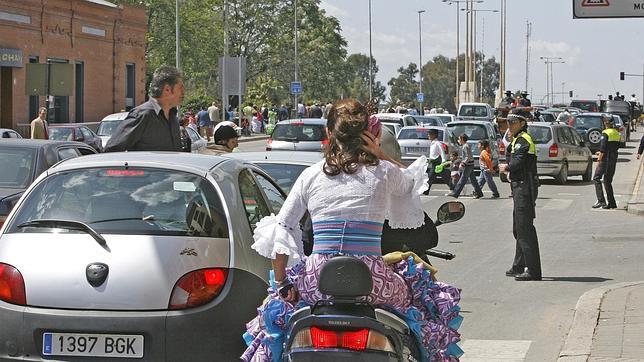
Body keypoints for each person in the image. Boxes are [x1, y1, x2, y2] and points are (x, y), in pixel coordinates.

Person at [241, 99, 462, 361]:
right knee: (423, 301)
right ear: (368, 135)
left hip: (316, 282)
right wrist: (381, 155)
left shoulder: (311, 175)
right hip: (373, 282)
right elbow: (414, 183)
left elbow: (283, 227)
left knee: (272, 320)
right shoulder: (384, 172)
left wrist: (282, 283)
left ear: (329, 134)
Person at [499, 108, 541, 281]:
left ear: (522, 123)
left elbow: (518, 161)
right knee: (519, 228)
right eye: (508, 122)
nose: (509, 125)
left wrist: (506, 167)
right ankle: (518, 265)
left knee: (525, 229)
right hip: (518, 187)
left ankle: (533, 271)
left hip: (524, 186)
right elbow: (512, 152)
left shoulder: (524, 139)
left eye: (513, 122)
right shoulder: (517, 139)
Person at [104, 66, 184, 152]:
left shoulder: (173, 117)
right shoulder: (142, 115)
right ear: (167, 89)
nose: (183, 92)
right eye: (180, 88)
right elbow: (111, 149)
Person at [592, 114, 620, 209]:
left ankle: (601, 201)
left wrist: (599, 160)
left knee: (596, 178)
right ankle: (612, 203)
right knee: (607, 181)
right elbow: (613, 147)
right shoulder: (616, 133)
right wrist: (600, 152)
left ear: (606, 123)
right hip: (613, 159)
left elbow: (603, 148)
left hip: (605, 160)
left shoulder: (605, 133)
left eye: (605, 121)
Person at [448, 134, 484, 199]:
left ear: (462, 139)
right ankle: (479, 193)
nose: (458, 140)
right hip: (470, 164)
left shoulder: (465, 146)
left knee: (463, 179)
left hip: (468, 165)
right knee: (473, 180)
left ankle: (456, 192)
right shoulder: (465, 146)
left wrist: (463, 163)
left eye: (459, 139)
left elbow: (468, 156)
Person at [424, 128, 447, 194]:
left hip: (438, 163)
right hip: (434, 162)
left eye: (429, 134)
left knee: (431, 177)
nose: (428, 135)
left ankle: (454, 188)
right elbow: (432, 154)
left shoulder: (437, 143)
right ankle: (426, 191)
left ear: (434, 135)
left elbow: (442, 152)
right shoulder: (432, 143)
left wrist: (443, 162)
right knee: (432, 177)